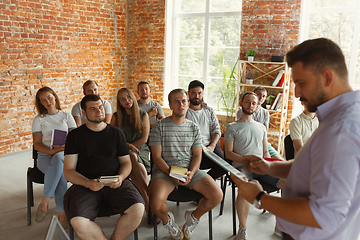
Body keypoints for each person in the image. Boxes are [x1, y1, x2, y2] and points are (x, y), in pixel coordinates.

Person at [232, 38, 360, 240]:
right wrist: (270, 167)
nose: (297, 93)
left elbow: (325, 215)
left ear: (327, 78)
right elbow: (315, 167)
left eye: (301, 83)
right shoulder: (341, 115)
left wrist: (258, 197)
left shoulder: (340, 129)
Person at [63, 94, 145, 240]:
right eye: (92, 109)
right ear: (84, 112)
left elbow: (126, 163)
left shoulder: (116, 133)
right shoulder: (75, 136)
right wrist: (88, 183)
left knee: (138, 208)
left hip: (115, 182)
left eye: (100, 107)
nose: (99, 111)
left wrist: (120, 177)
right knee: (78, 221)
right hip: (85, 185)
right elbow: (68, 171)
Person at [149, 88, 223, 240]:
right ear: (170, 105)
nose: (180, 104)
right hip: (165, 171)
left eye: (183, 101)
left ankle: (193, 218)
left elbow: (197, 155)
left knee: (217, 195)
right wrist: (172, 173)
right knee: (155, 204)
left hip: (188, 170)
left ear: (188, 104)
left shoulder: (193, 127)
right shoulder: (159, 126)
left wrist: (191, 172)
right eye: (176, 101)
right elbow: (156, 157)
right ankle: (168, 220)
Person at [224, 92, 284, 240]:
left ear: (257, 106)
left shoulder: (262, 127)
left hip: (260, 166)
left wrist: (269, 165)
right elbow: (229, 153)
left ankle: (281, 224)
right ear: (241, 103)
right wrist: (245, 159)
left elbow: (265, 152)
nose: (250, 105)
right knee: (245, 188)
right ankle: (242, 228)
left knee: (288, 183)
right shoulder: (232, 127)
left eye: (253, 103)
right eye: (247, 102)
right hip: (241, 167)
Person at [32, 86, 77, 228]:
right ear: (40, 103)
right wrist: (51, 151)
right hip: (45, 155)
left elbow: (76, 139)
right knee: (60, 175)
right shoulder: (39, 119)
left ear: (55, 97)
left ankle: (45, 201)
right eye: (43, 100)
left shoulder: (66, 116)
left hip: (64, 154)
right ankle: (62, 213)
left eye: (49, 97)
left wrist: (65, 147)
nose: (48, 102)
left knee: (59, 160)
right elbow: (37, 144)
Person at [110, 87, 151, 215]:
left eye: (128, 97)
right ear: (119, 103)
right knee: (132, 157)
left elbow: (144, 139)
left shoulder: (143, 115)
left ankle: (146, 200)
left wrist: (132, 147)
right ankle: (149, 197)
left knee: (134, 161)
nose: (127, 100)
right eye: (122, 99)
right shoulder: (117, 116)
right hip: (122, 150)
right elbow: (111, 138)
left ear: (133, 97)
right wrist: (127, 146)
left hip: (141, 149)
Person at [185, 80, 227, 179]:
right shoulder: (184, 111)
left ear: (203, 93)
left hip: (209, 146)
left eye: (199, 93)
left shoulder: (209, 110)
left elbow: (217, 130)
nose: (197, 95)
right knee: (187, 168)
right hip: (191, 148)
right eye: (193, 93)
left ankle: (204, 181)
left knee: (224, 166)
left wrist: (212, 146)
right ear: (188, 93)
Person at [236, 86, 282, 160]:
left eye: (264, 96)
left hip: (262, 142)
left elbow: (264, 132)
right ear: (253, 95)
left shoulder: (265, 113)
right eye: (259, 94)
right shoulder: (242, 111)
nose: (261, 97)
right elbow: (244, 130)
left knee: (280, 161)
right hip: (249, 142)